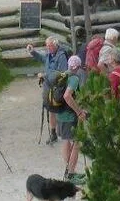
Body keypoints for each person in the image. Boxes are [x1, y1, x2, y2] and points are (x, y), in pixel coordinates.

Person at [27, 36, 70, 144]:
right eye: (47, 46)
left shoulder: (61, 56)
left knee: (60, 109)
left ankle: (66, 132)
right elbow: (43, 59)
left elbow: (62, 73)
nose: (48, 48)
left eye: (50, 46)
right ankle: (53, 133)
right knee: (51, 110)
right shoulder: (50, 54)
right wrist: (33, 52)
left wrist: (45, 75)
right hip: (49, 87)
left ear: (56, 45)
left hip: (58, 88)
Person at [58, 55, 88, 183]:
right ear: (79, 67)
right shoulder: (74, 78)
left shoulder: (62, 75)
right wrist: (79, 111)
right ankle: (70, 174)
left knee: (66, 141)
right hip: (70, 116)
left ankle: (70, 171)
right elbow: (67, 96)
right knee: (76, 143)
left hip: (60, 114)